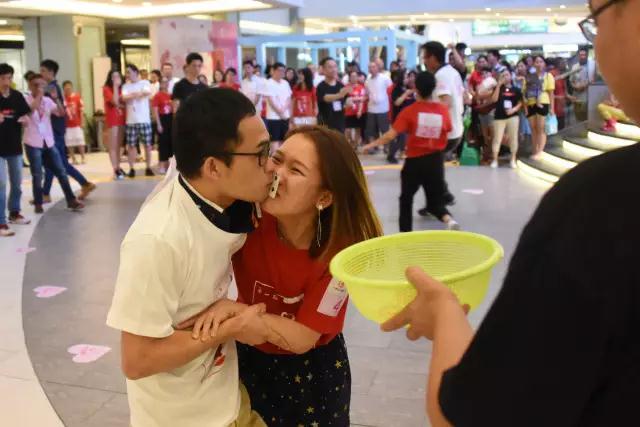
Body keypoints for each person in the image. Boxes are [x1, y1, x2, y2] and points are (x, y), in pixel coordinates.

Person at [382, 1, 640, 425]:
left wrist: (444, 313)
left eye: (596, 17)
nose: (598, 42)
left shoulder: (602, 203)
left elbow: (471, 413)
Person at [179, 125, 383, 426]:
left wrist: (235, 312)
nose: (277, 173)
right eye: (277, 158)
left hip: (313, 375)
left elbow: (303, 337)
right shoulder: (249, 217)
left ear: (324, 197)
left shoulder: (339, 254)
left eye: (296, 170)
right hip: (250, 357)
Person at [106, 88, 271, 427]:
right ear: (213, 167)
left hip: (228, 397)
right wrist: (231, 326)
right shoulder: (158, 239)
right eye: (260, 154)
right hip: (184, 416)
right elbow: (137, 360)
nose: (270, 166)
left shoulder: (228, 200)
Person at [363, 72, 460, 232]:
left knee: (406, 199)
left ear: (416, 89)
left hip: (415, 162)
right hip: (436, 161)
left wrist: (370, 145)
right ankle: (449, 220)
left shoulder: (410, 111)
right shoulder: (442, 111)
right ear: (434, 88)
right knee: (435, 201)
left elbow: (390, 136)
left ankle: (405, 233)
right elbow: (448, 129)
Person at [22, 74, 84, 213]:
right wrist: (39, 96)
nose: (39, 88)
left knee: (61, 171)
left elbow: (61, 113)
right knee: (37, 174)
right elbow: (29, 112)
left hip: (48, 141)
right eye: (36, 85)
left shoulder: (48, 101)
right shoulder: (25, 100)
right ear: (30, 86)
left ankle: (71, 200)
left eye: (42, 85)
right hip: (33, 142)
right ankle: (38, 203)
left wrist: (56, 98)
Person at [40, 59, 96, 202]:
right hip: (54, 130)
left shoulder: (51, 88)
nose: (41, 74)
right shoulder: (52, 87)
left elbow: (56, 110)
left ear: (51, 72)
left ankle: (84, 184)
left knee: (58, 163)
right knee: (53, 162)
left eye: (43, 71)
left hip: (55, 130)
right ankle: (45, 193)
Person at [0, 63, 31, 236]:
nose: (6, 81)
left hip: (14, 147)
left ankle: (14, 212)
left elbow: (25, 113)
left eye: (9, 78)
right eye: (3, 78)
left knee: (17, 183)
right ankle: (1, 222)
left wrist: (25, 120)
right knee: (1, 184)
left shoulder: (17, 96)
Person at [422, 42, 465, 162]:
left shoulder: (441, 76)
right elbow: (464, 97)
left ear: (432, 58)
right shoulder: (452, 71)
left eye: (425, 58)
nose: (424, 62)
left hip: (447, 133)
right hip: (457, 128)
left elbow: (446, 103)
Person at [121, 63, 154, 178]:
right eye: (126, 72)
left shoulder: (144, 83)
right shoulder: (126, 86)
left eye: (129, 72)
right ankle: (131, 168)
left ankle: (148, 167)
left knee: (147, 145)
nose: (127, 74)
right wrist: (138, 94)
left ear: (135, 72)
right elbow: (124, 98)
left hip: (144, 119)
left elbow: (147, 92)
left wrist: (133, 95)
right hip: (131, 120)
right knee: (131, 146)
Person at [490, 67, 523, 169]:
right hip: (499, 117)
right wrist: (498, 85)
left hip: (512, 116)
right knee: (497, 138)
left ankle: (513, 159)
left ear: (511, 76)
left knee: (513, 137)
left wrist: (514, 109)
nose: (505, 77)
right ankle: (495, 159)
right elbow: (494, 100)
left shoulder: (516, 89)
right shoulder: (498, 88)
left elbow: (520, 102)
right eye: (503, 75)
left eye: (507, 75)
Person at [525, 55, 555, 159]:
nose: (539, 64)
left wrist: (552, 108)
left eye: (541, 61)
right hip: (531, 103)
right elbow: (525, 91)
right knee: (533, 128)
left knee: (541, 128)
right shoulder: (529, 76)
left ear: (544, 64)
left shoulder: (548, 76)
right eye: (537, 62)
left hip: (543, 102)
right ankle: (535, 149)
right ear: (534, 64)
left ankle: (540, 151)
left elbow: (551, 94)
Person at [388, 69, 417, 163]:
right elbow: (397, 102)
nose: (407, 79)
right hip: (398, 117)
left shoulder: (407, 88)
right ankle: (391, 155)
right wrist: (406, 94)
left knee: (403, 138)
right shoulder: (397, 89)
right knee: (397, 138)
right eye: (405, 77)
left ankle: (399, 153)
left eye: (407, 77)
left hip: (407, 118)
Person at [316, 57, 352, 133]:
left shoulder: (341, 85)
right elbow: (325, 98)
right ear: (324, 70)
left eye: (335, 66)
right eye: (330, 67)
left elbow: (347, 99)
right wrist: (339, 95)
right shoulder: (320, 86)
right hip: (325, 124)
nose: (333, 69)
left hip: (340, 123)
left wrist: (349, 102)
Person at [364, 61, 392, 155]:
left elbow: (390, 89)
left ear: (378, 68)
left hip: (383, 108)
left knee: (384, 129)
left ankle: (386, 147)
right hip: (371, 108)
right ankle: (373, 146)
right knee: (371, 130)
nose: (371, 69)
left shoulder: (385, 78)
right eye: (369, 67)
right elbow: (367, 93)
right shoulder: (367, 81)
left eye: (373, 67)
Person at [103, 70, 127, 180]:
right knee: (113, 146)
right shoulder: (107, 89)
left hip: (122, 119)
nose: (116, 78)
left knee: (119, 145)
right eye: (113, 76)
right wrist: (115, 87)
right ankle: (115, 168)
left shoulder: (124, 88)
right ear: (110, 78)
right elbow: (115, 101)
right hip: (113, 120)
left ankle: (118, 166)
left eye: (118, 76)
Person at [264, 62, 292, 146]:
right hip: (273, 117)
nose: (281, 73)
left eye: (283, 71)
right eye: (279, 70)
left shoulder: (285, 83)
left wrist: (284, 111)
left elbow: (288, 98)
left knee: (284, 140)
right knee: (274, 141)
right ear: (273, 70)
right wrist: (280, 113)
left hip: (285, 116)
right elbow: (270, 100)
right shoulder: (268, 83)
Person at [152, 77, 174, 174]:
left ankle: (169, 165)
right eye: (163, 82)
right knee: (162, 143)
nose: (165, 84)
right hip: (162, 120)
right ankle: (161, 165)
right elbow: (155, 110)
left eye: (167, 82)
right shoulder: (157, 96)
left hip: (171, 120)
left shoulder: (171, 95)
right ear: (160, 84)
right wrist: (158, 124)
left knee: (170, 143)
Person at [62, 81, 86, 165]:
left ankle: (83, 157)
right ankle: (73, 158)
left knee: (80, 141)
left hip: (77, 123)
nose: (68, 89)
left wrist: (82, 121)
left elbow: (81, 110)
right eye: (66, 88)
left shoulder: (77, 97)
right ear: (63, 89)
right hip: (67, 125)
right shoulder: (62, 99)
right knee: (69, 142)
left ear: (72, 87)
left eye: (69, 87)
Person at [569, 47, 596, 123]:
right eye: (581, 55)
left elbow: (594, 79)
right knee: (579, 117)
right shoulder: (575, 67)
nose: (582, 57)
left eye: (584, 55)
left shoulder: (592, 65)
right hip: (578, 95)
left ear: (587, 55)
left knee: (589, 116)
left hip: (589, 95)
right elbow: (571, 81)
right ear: (578, 56)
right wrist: (575, 87)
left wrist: (585, 85)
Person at [344, 70, 367, 149]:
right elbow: (344, 99)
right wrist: (356, 98)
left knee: (358, 129)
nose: (354, 78)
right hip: (348, 112)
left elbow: (363, 99)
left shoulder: (361, 87)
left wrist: (359, 110)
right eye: (352, 76)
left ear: (357, 77)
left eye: (355, 76)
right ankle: (351, 141)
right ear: (349, 77)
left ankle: (355, 145)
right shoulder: (346, 87)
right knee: (347, 130)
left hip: (358, 111)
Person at [514, 60, 532, 148]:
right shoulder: (515, 79)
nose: (520, 68)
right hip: (519, 107)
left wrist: (524, 80)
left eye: (522, 66)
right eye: (518, 66)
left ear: (526, 67)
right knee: (520, 129)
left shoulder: (530, 77)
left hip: (529, 106)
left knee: (529, 127)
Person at [551, 58, 569, 130]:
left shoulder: (562, 75)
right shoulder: (551, 74)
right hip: (554, 108)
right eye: (563, 63)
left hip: (561, 107)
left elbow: (564, 91)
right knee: (555, 129)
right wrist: (558, 97)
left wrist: (570, 97)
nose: (565, 65)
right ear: (558, 64)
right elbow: (548, 93)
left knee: (562, 128)